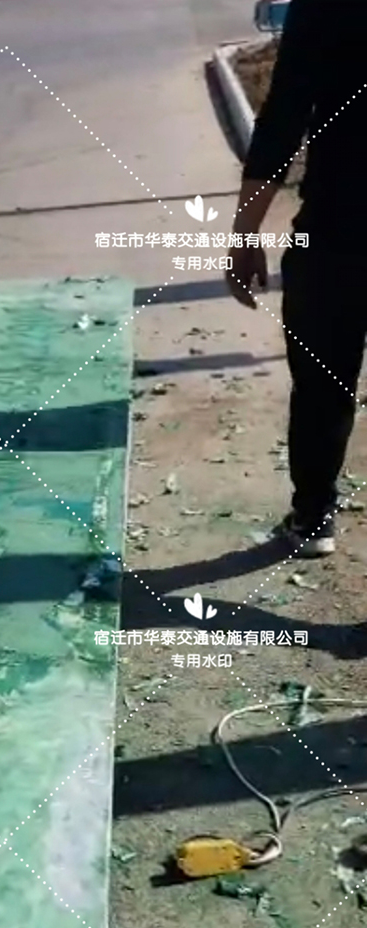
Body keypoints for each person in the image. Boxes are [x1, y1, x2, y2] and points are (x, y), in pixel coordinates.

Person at [225, 0, 367, 557]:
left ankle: (313, 517)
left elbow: (283, 117)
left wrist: (245, 234)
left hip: (338, 231)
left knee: (322, 384)